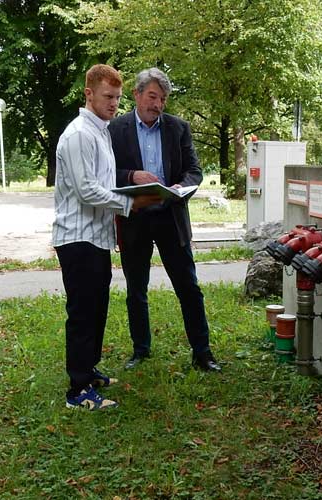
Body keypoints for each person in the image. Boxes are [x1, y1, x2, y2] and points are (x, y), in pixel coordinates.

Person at [53, 64, 161, 410]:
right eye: (107, 96)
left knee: (97, 307)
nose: (114, 103)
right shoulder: (78, 134)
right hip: (77, 237)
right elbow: (86, 190)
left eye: (117, 97)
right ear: (89, 94)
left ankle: (89, 370)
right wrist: (130, 203)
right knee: (83, 312)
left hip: (97, 236)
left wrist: (135, 192)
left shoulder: (101, 132)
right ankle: (78, 390)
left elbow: (104, 182)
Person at [110, 67, 221, 372]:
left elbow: (194, 171)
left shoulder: (178, 128)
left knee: (189, 287)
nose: (157, 104)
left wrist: (179, 187)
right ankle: (140, 350)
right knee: (136, 289)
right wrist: (132, 175)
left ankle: (202, 353)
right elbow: (105, 172)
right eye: (152, 96)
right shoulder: (115, 129)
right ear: (137, 95)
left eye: (162, 99)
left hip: (171, 216)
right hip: (135, 217)